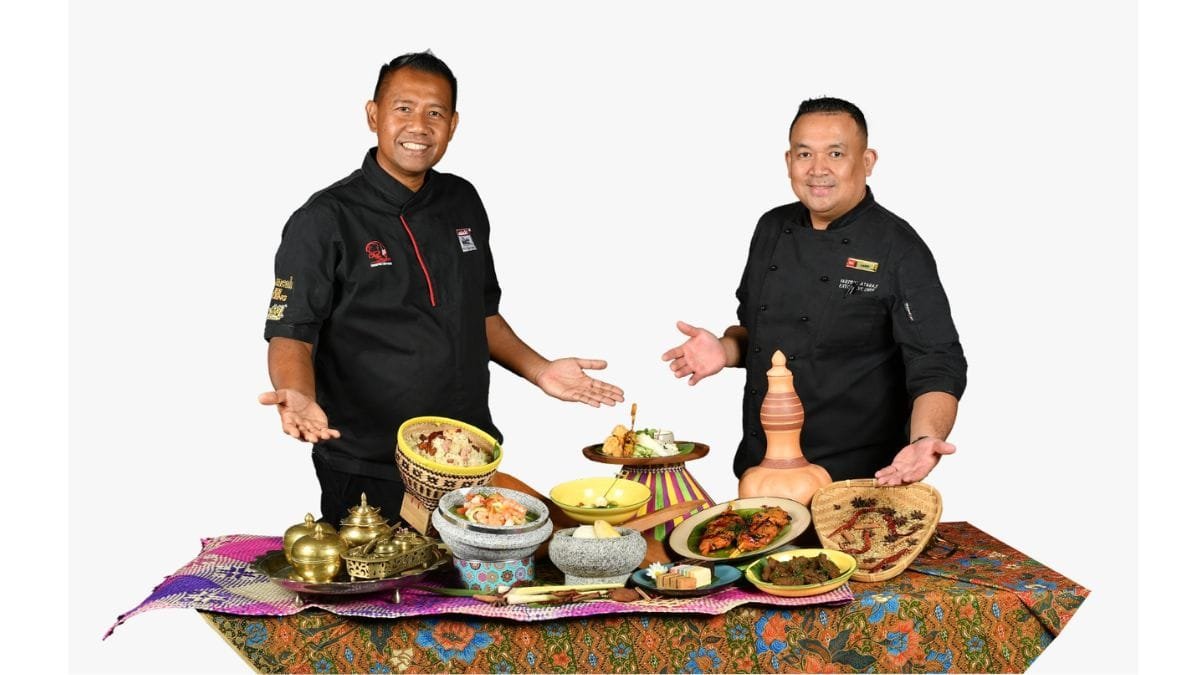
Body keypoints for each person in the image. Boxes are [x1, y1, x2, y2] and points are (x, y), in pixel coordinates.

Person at [259, 51, 623, 524]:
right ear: (373, 115)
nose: (419, 125)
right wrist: (297, 393)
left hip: (469, 458)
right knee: (377, 575)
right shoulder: (324, 218)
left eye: (435, 113)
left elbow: (481, 314)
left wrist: (540, 371)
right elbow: (292, 332)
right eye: (403, 108)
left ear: (453, 125)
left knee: (476, 572)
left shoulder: (462, 200)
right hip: (369, 467)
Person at [661, 97, 966, 487]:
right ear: (789, 161)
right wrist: (726, 349)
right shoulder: (771, 228)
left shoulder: (899, 248)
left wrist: (924, 439)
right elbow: (763, 335)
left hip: (859, 483)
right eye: (805, 154)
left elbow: (937, 361)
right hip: (763, 472)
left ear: (867, 161)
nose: (818, 169)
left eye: (835, 153)